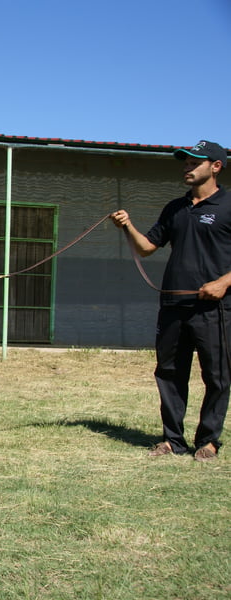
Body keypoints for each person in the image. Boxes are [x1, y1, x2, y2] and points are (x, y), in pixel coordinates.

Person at [111, 140, 230, 462]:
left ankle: (209, 441)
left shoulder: (229, 205)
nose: (187, 167)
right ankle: (172, 440)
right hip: (174, 307)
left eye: (194, 162)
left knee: (217, 376)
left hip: (215, 308)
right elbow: (147, 247)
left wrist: (223, 282)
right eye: (185, 163)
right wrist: (127, 226)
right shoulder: (175, 208)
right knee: (169, 373)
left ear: (215, 166)